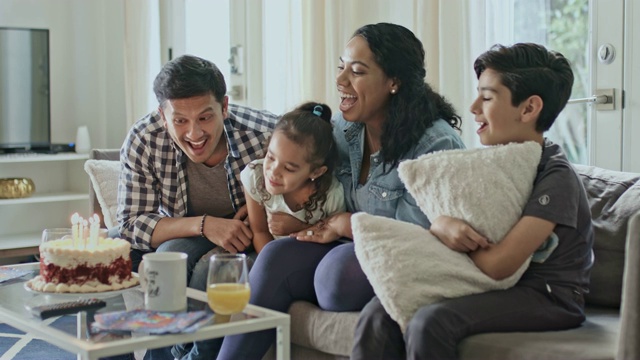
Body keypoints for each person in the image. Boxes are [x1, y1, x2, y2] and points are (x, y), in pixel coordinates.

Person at [199, 22, 466, 360]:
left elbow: (416, 235)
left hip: (400, 255)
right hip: (342, 244)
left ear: (393, 82)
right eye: (342, 67)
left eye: (356, 71)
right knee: (273, 257)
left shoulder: (435, 143)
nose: (340, 81)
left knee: (335, 279)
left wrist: (344, 224)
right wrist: (271, 200)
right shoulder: (344, 128)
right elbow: (300, 164)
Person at [351, 43, 595, 359]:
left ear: (529, 108)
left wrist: (447, 230)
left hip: (548, 295)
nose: (473, 106)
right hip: (490, 284)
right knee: (379, 310)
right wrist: (441, 223)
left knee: (431, 322)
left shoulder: (555, 176)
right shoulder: (488, 165)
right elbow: (452, 223)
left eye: (488, 97)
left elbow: (498, 265)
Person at [113, 54, 277, 360]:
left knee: (186, 262)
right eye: (180, 120)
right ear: (163, 116)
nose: (194, 133)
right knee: (116, 254)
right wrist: (206, 224)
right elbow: (131, 225)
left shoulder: (265, 136)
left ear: (224, 107)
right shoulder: (144, 140)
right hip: (186, 227)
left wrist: (261, 208)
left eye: (205, 117)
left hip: (245, 233)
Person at [240, 102, 346, 253]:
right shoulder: (254, 177)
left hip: (314, 255)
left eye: (289, 168)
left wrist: (301, 227)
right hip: (270, 254)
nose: (274, 172)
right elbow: (260, 232)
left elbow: (335, 242)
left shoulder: (331, 195)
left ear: (316, 172)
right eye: (270, 157)